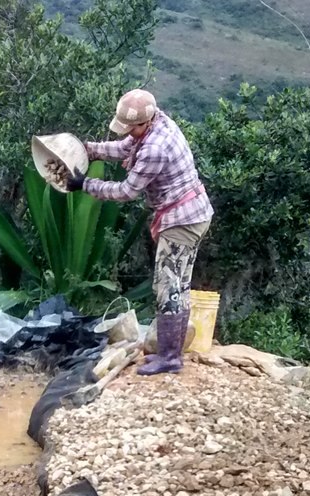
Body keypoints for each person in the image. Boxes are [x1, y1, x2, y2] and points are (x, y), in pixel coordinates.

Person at [67, 89, 213, 375]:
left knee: (168, 286)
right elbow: (125, 148)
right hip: (192, 212)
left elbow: (126, 191)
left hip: (181, 219)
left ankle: (170, 358)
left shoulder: (154, 149)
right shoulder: (158, 122)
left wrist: (85, 184)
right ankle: (171, 352)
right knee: (178, 286)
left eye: (131, 128)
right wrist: (90, 149)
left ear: (144, 122)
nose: (128, 133)